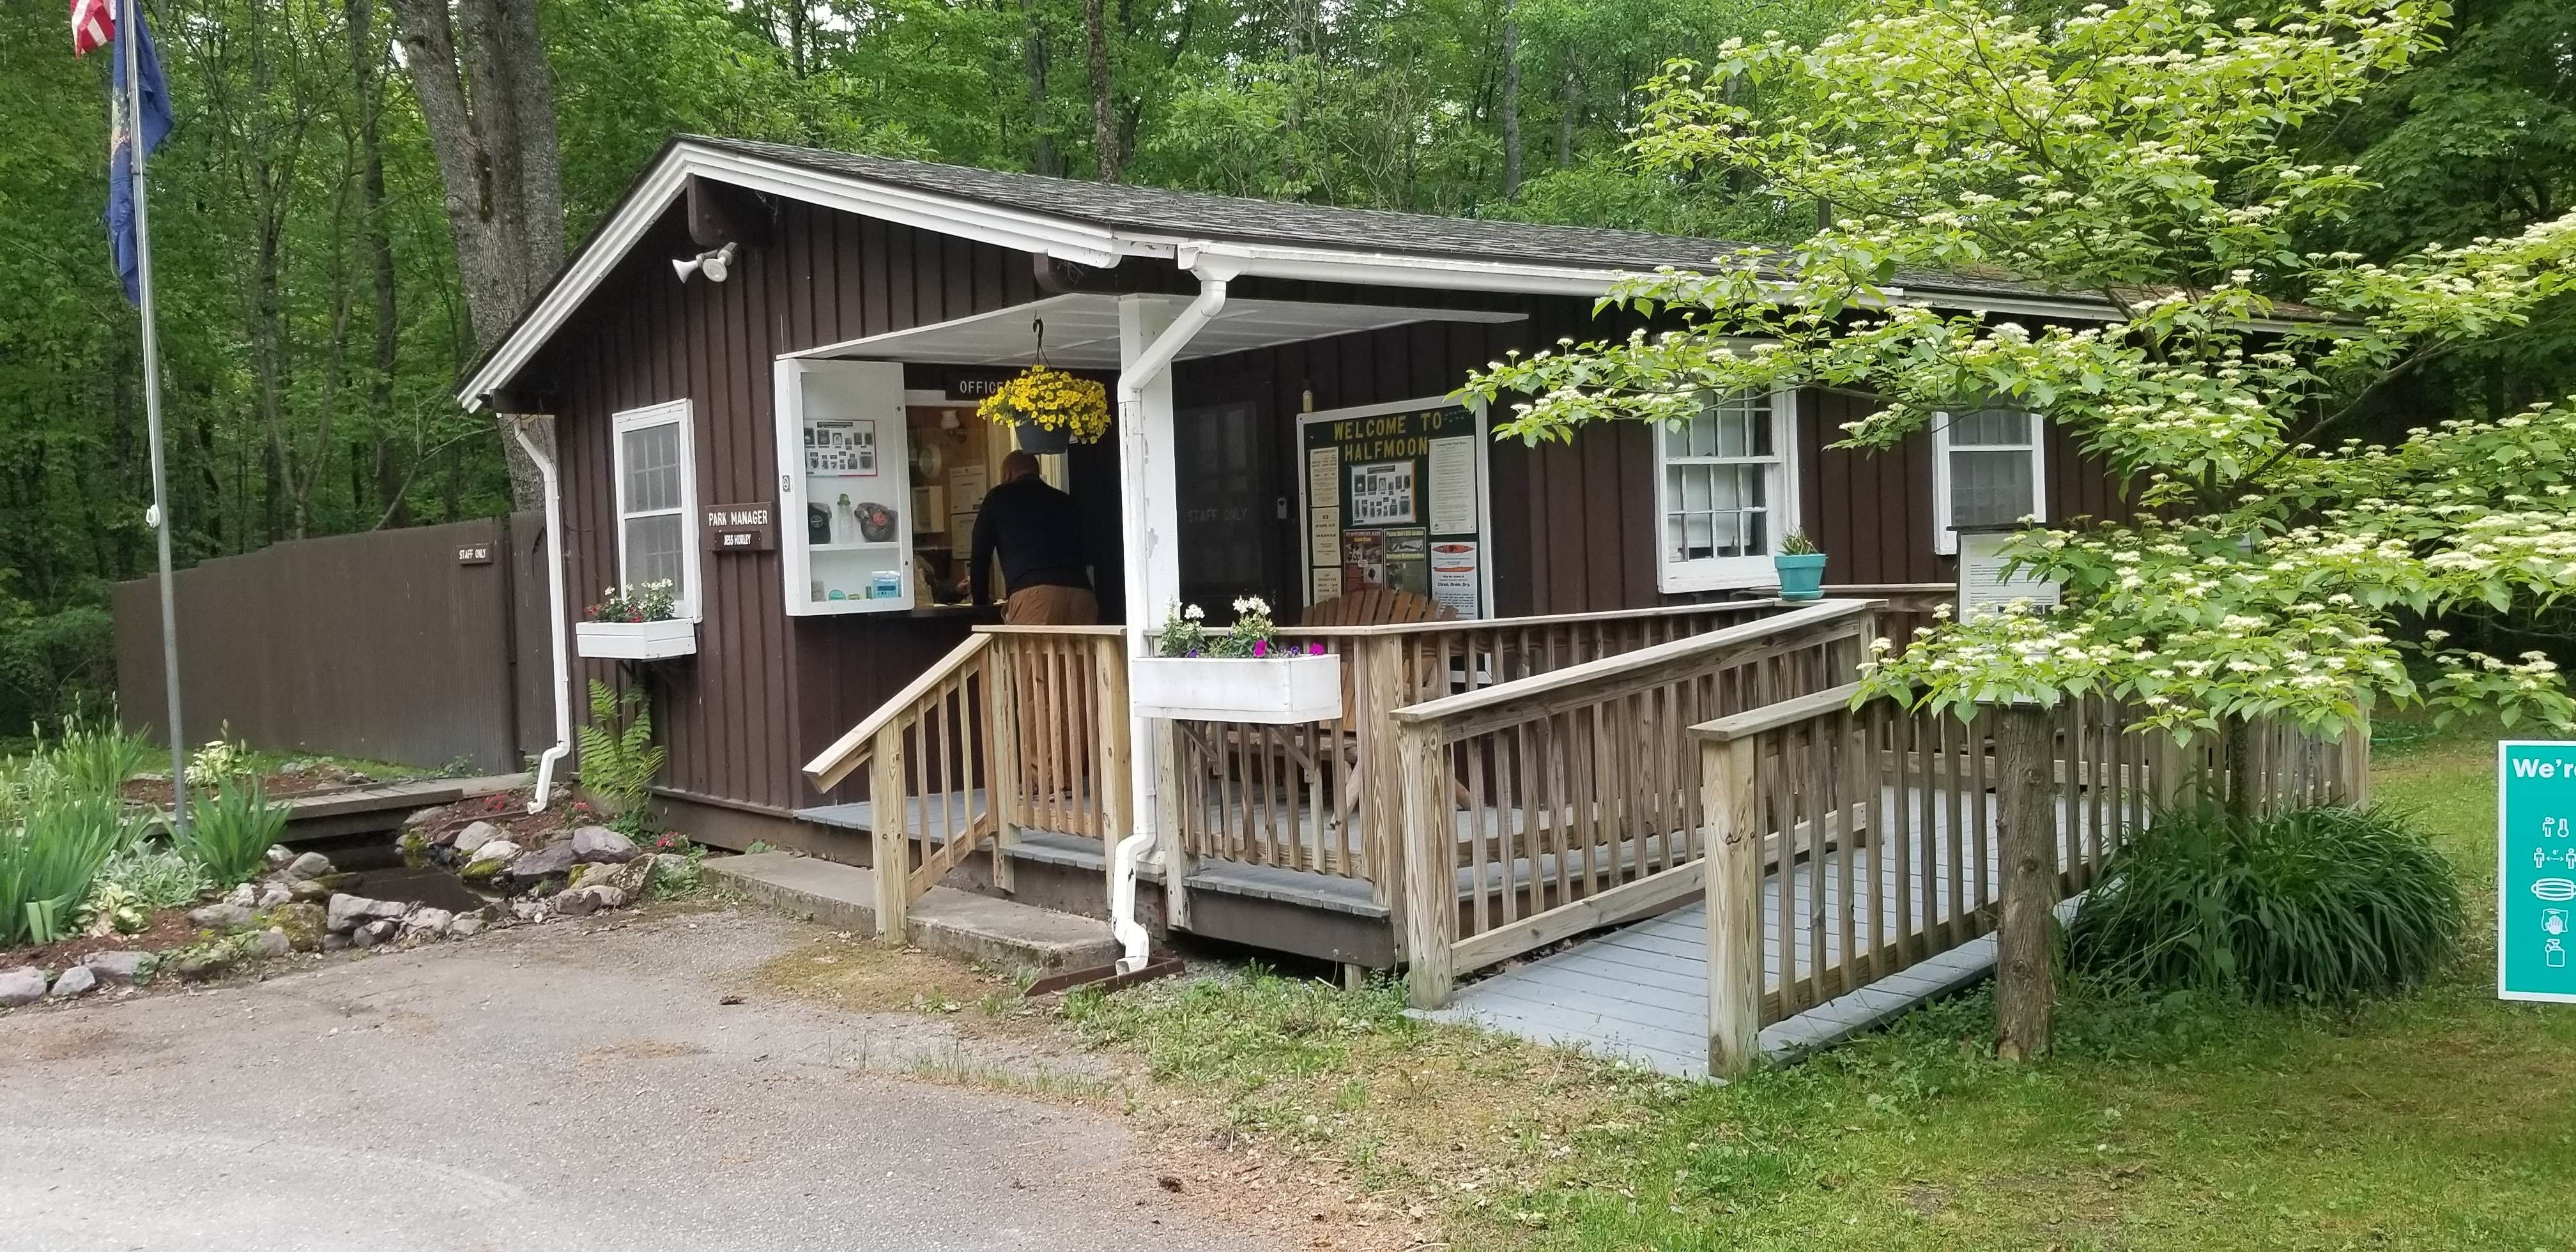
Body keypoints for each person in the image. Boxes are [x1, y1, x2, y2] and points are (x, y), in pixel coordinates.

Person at [969, 451, 1097, 623]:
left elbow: (980, 553)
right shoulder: (1066, 501)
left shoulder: (998, 497)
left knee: (1033, 651)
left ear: (1007, 475)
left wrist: (980, 604)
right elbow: (1089, 552)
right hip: (1082, 596)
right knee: (1080, 652)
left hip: (1036, 596)